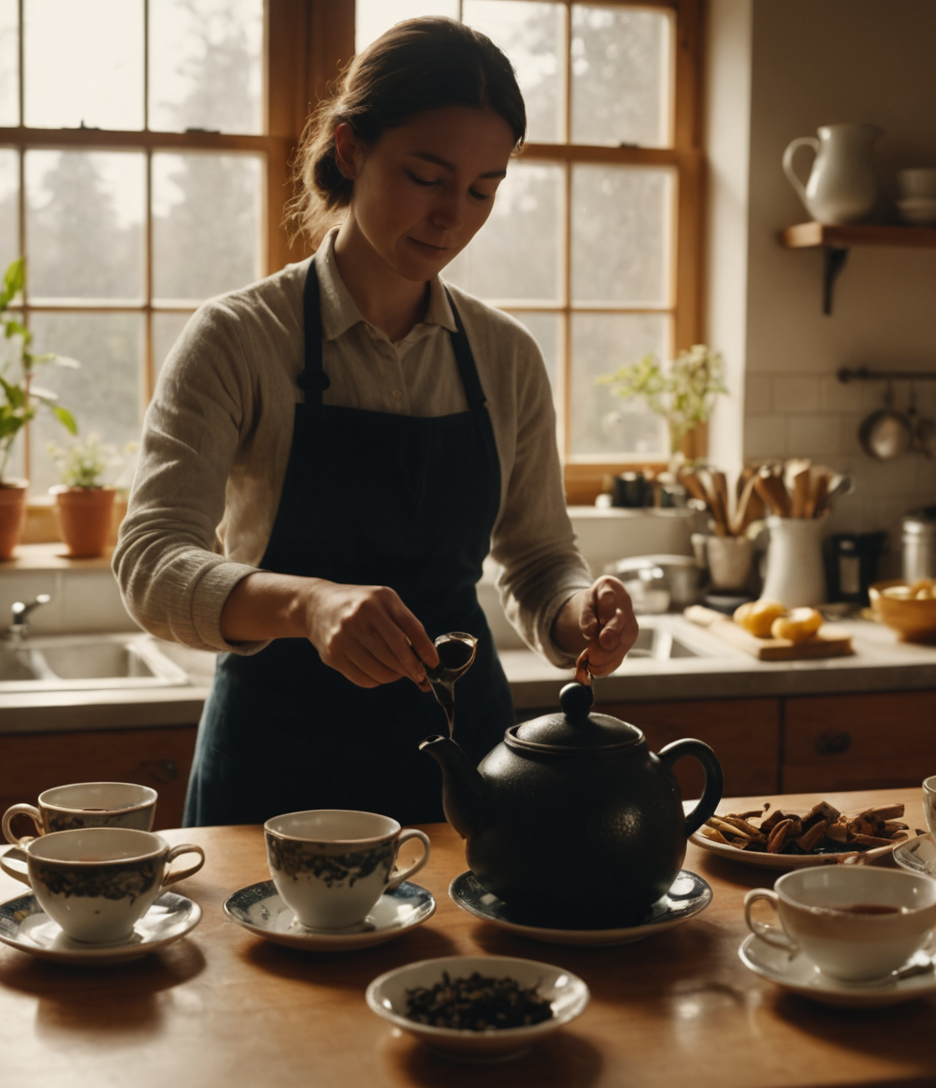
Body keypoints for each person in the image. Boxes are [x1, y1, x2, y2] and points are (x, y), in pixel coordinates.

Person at [115, 17, 638, 828]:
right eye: (426, 176)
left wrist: (581, 615)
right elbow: (150, 563)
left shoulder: (506, 357)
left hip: (467, 775)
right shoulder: (239, 338)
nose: (450, 217)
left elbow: (537, 558)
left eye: (482, 190)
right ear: (351, 149)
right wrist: (308, 607)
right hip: (275, 776)